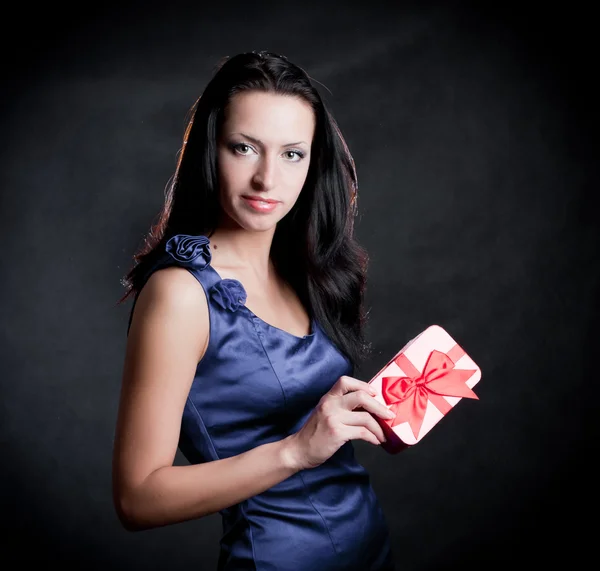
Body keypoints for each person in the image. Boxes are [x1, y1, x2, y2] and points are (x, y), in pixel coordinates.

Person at [112, 50, 397, 571]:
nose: (268, 179)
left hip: (369, 547)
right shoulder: (180, 293)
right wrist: (296, 450)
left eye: (293, 154)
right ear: (210, 150)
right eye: (244, 148)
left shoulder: (303, 269)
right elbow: (136, 498)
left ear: (314, 164)